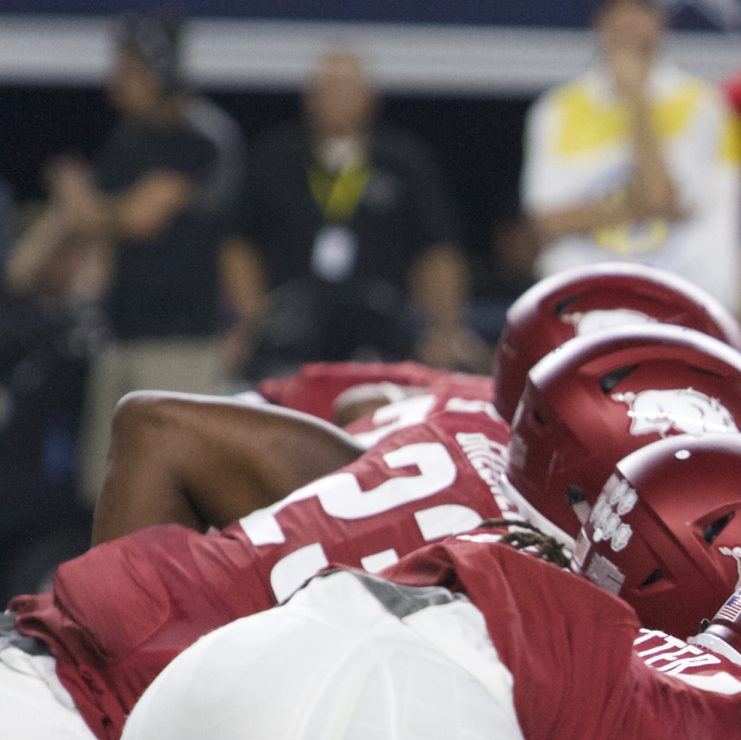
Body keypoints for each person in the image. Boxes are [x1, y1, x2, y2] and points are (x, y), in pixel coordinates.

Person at [51, 10, 243, 501]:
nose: (117, 83)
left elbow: (139, 216)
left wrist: (80, 205)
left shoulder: (201, 136)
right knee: (106, 490)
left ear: (162, 71)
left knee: (169, 490)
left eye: (130, 70)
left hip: (180, 344)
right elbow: (97, 232)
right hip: (120, 335)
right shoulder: (127, 141)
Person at [220, 48, 475, 379]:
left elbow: (438, 250)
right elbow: (237, 246)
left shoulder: (404, 162)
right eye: (327, 89)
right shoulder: (275, 157)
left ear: (371, 98)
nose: (337, 99)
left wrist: (443, 329)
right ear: (308, 98)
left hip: (381, 325)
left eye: (347, 89)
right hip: (289, 325)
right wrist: (250, 322)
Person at [522, 0, 741, 312]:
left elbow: (660, 196)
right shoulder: (556, 109)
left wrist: (635, 98)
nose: (627, 20)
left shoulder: (705, 106)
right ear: (599, 22)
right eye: (617, 9)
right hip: (584, 309)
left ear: (661, 21)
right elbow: (546, 221)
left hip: (677, 309)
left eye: (641, 8)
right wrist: (643, 207)